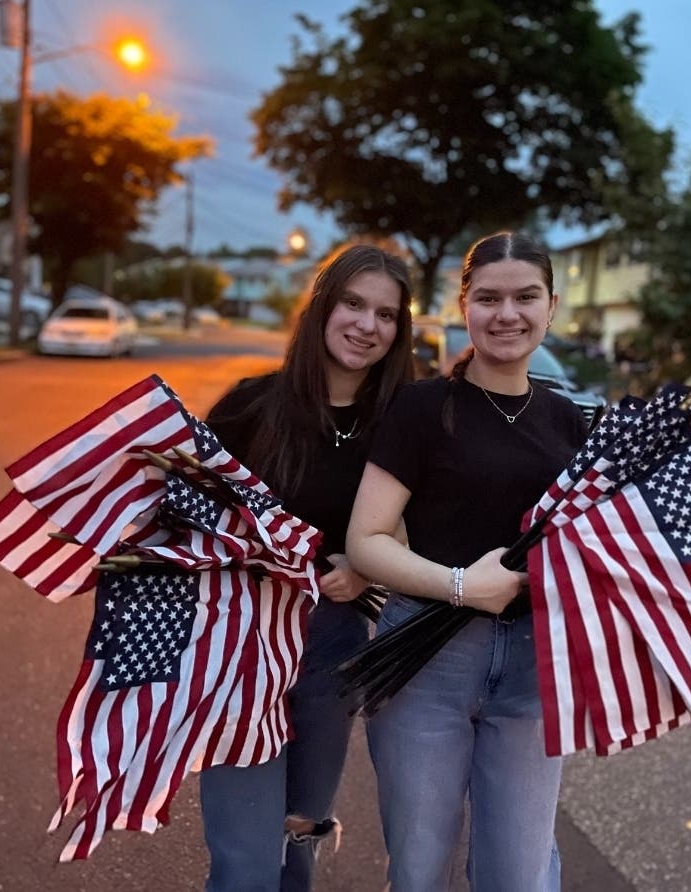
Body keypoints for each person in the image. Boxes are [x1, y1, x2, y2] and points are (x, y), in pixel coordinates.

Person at [347, 231, 589, 891]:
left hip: (531, 666)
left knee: (518, 873)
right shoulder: (423, 409)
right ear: (463, 306)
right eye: (488, 297)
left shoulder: (571, 424)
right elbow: (367, 540)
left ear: (551, 306)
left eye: (524, 297)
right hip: (424, 660)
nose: (505, 313)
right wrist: (460, 586)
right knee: (419, 870)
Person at [198, 243, 414, 892]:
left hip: (332, 648)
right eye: (352, 303)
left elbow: (430, 528)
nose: (365, 325)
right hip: (243, 646)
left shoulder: (404, 425)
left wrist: (369, 567)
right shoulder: (250, 407)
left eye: (385, 314)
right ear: (321, 306)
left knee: (299, 831)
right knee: (243, 863)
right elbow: (189, 519)